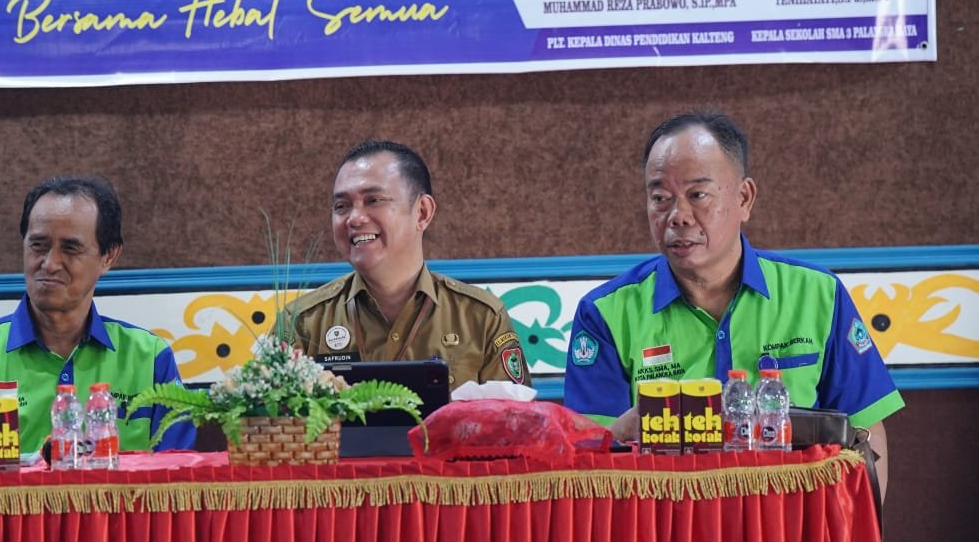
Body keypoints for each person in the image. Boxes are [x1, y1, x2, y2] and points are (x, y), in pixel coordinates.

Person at [562, 111, 902, 459]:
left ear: (744, 199)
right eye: (660, 198)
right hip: (667, 510)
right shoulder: (605, 314)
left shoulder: (818, 295)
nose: (677, 215)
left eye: (697, 194)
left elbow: (867, 434)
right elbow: (592, 458)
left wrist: (866, 515)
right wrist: (635, 428)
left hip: (791, 509)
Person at [0, 176, 194, 458]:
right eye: (38, 245)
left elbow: (180, 480)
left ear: (109, 256)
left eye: (71, 248)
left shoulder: (150, 359)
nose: (49, 264)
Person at [286, 141, 530, 388]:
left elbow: (517, 421)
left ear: (422, 212)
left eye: (373, 200)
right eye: (342, 206)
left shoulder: (481, 318)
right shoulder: (302, 323)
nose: (355, 218)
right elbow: (266, 420)